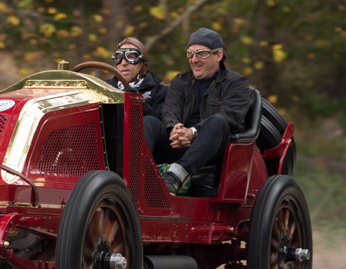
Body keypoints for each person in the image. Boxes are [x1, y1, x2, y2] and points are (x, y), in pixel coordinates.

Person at [143, 27, 251, 195]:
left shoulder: (237, 83)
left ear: (218, 56)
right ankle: (137, 175)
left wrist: (192, 132)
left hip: (211, 148)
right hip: (178, 143)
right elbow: (170, 110)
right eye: (190, 54)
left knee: (218, 121)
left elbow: (230, 116)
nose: (194, 60)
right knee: (149, 121)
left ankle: (174, 177)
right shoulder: (179, 81)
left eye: (201, 53)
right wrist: (174, 131)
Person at [106, 36, 166, 118]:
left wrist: (136, 101)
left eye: (131, 57)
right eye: (119, 57)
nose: (123, 63)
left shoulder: (160, 92)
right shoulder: (105, 87)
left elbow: (159, 124)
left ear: (142, 63)